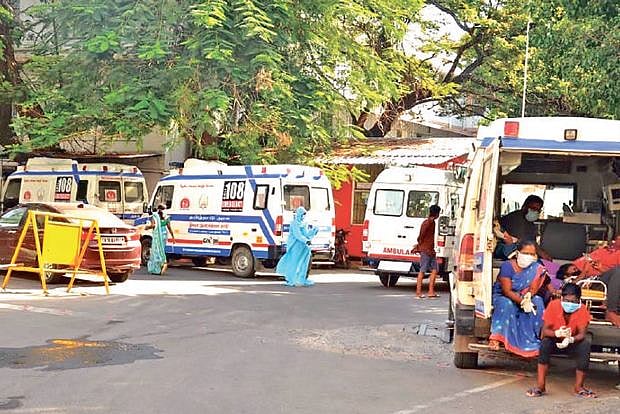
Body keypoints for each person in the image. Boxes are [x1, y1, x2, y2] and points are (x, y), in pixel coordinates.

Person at [526, 283, 596, 398]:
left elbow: (582, 334)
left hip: (572, 343)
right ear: (562, 298)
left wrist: (571, 339)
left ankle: (579, 387)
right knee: (545, 343)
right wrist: (557, 333)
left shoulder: (582, 310)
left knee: (585, 345)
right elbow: (545, 331)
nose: (570, 304)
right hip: (554, 341)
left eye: (574, 301)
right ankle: (540, 386)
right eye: (567, 300)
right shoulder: (553, 305)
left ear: (579, 300)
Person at [489, 240, 553, 356]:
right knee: (506, 304)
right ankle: (497, 338)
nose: (528, 256)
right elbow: (507, 291)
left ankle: (537, 337)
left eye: (531, 254)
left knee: (538, 301)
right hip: (504, 296)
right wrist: (522, 301)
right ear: (518, 253)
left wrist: (528, 297)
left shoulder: (536, 267)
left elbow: (533, 288)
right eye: (525, 253)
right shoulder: (507, 266)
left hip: (525, 296)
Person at [276, 207, 318, 286]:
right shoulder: (294, 223)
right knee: (294, 262)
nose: (303, 216)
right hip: (295, 246)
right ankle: (291, 279)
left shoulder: (304, 223)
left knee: (304, 263)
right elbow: (297, 235)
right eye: (302, 214)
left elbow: (305, 233)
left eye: (304, 215)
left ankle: (302, 278)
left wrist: (313, 231)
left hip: (303, 246)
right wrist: (306, 240)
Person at [496, 195, 545, 259]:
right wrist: (540, 252)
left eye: (538, 210)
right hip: (507, 253)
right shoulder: (515, 219)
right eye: (533, 209)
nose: (536, 212)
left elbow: (532, 242)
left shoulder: (529, 222)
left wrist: (542, 253)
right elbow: (524, 243)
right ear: (525, 207)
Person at [413, 205, 441, 299]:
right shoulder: (428, 223)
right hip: (426, 250)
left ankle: (431, 291)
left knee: (435, 269)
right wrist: (420, 245)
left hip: (430, 250)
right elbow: (421, 235)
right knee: (423, 270)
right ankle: (418, 292)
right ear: (436, 214)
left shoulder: (431, 222)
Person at [146, 204, 175, 275]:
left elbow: (153, 225)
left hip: (157, 235)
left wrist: (147, 227)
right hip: (164, 235)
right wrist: (173, 237)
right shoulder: (167, 217)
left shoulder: (155, 216)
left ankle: (157, 267)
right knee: (162, 249)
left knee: (156, 251)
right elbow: (169, 227)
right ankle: (163, 263)